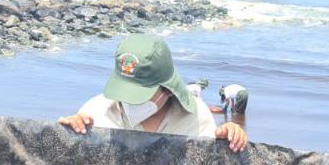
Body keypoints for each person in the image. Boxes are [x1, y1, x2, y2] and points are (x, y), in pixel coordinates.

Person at [58, 35, 248, 153]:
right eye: (124, 90)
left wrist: (229, 140)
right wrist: (69, 133)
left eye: (139, 93)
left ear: (167, 89)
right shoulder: (95, 111)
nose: (128, 100)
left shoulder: (196, 117)